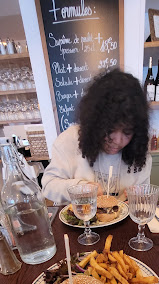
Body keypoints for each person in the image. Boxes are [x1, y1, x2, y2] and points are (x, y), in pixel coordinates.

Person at [42, 69, 152, 204]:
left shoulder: (139, 151)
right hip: (80, 222)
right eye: (110, 130)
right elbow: (48, 186)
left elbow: (144, 194)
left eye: (127, 132)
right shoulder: (69, 140)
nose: (118, 141)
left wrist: (137, 200)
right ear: (95, 123)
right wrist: (80, 189)